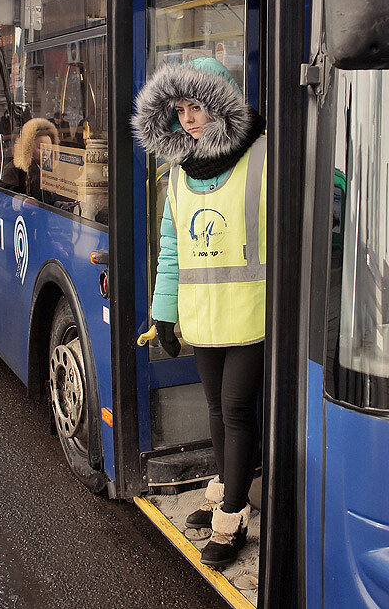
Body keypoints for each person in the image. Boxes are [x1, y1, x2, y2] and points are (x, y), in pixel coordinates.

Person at [132, 56, 267, 569]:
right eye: (181, 110)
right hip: (204, 316)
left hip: (254, 314)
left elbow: (327, 188)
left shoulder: (262, 154)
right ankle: (222, 489)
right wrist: (163, 312)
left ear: (220, 100)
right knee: (216, 410)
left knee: (235, 411)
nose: (189, 119)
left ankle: (231, 520)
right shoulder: (180, 170)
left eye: (198, 106)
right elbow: (171, 246)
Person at [12, 116, 59, 203]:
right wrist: (22, 202)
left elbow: (46, 200)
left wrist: (59, 205)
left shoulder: (48, 169)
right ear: (29, 148)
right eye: (40, 148)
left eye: (48, 149)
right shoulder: (15, 169)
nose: (46, 153)